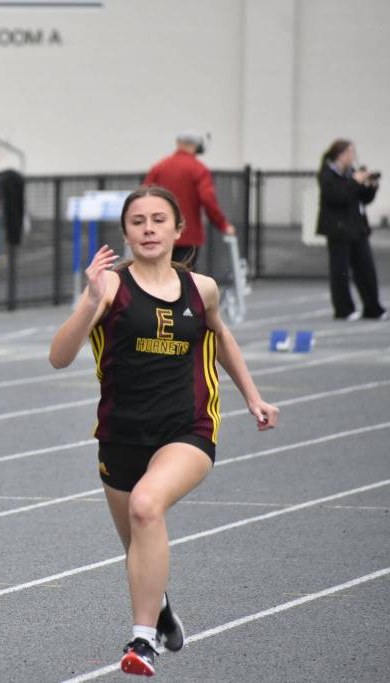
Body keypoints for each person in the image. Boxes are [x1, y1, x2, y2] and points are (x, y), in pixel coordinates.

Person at [49, 186, 278, 676]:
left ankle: (142, 638)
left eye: (158, 220)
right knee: (137, 540)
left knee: (146, 506)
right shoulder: (109, 287)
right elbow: (59, 356)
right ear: (126, 232)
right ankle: (162, 608)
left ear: (179, 230)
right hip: (121, 434)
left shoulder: (203, 288)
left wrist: (252, 396)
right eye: (137, 221)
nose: (148, 229)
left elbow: (221, 335)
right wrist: (90, 299)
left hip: (188, 428)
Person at [316, 139, 386, 321]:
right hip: (338, 229)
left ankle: (373, 307)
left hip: (358, 228)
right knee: (340, 271)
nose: (353, 157)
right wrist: (355, 182)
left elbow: (363, 198)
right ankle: (344, 309)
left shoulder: (351, 173)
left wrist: (370, 186)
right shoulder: (327, 174)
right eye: (350, 153)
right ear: (340, 154)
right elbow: (337, 196)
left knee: (366, 269)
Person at [144, 131, 236, 267]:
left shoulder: (159, 167)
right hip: (188, 236)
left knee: (158, 277)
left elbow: (144, 195)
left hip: (159, 234)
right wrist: (223, 225)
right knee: (185, 280)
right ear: (196, 146)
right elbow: (208, 199)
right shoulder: (199, 169)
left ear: (178, 144)